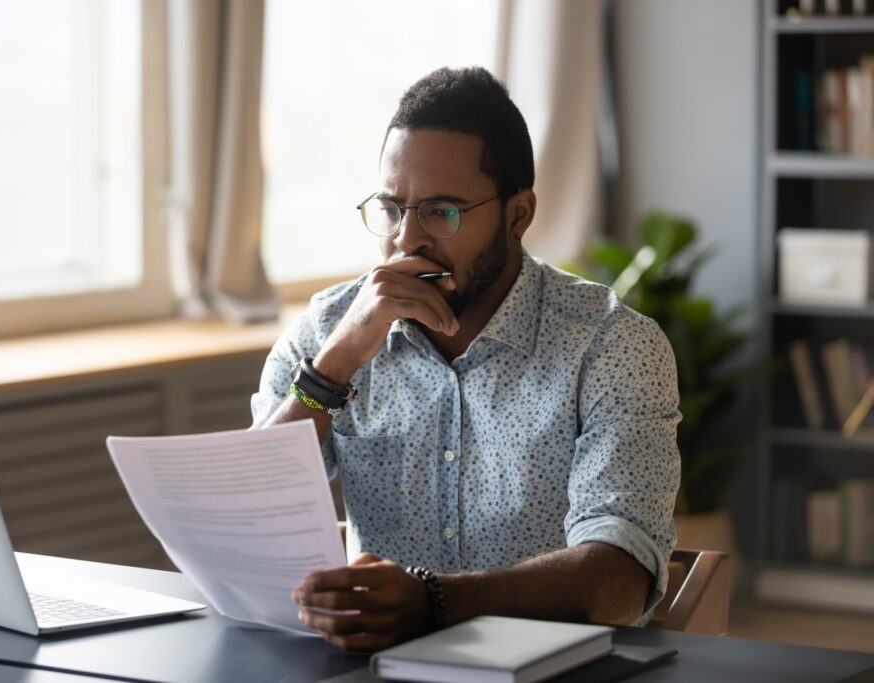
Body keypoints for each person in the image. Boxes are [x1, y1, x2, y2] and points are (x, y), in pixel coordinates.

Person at [250, 66, 680, 652]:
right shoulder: (329, 335)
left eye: (441, 212)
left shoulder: (613, 347)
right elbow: (249, 520)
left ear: (518, 214)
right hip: (376, 667)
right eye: (392, 209)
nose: (406, 241)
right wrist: (333, 369)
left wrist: (434, 603)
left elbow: (621, 576)